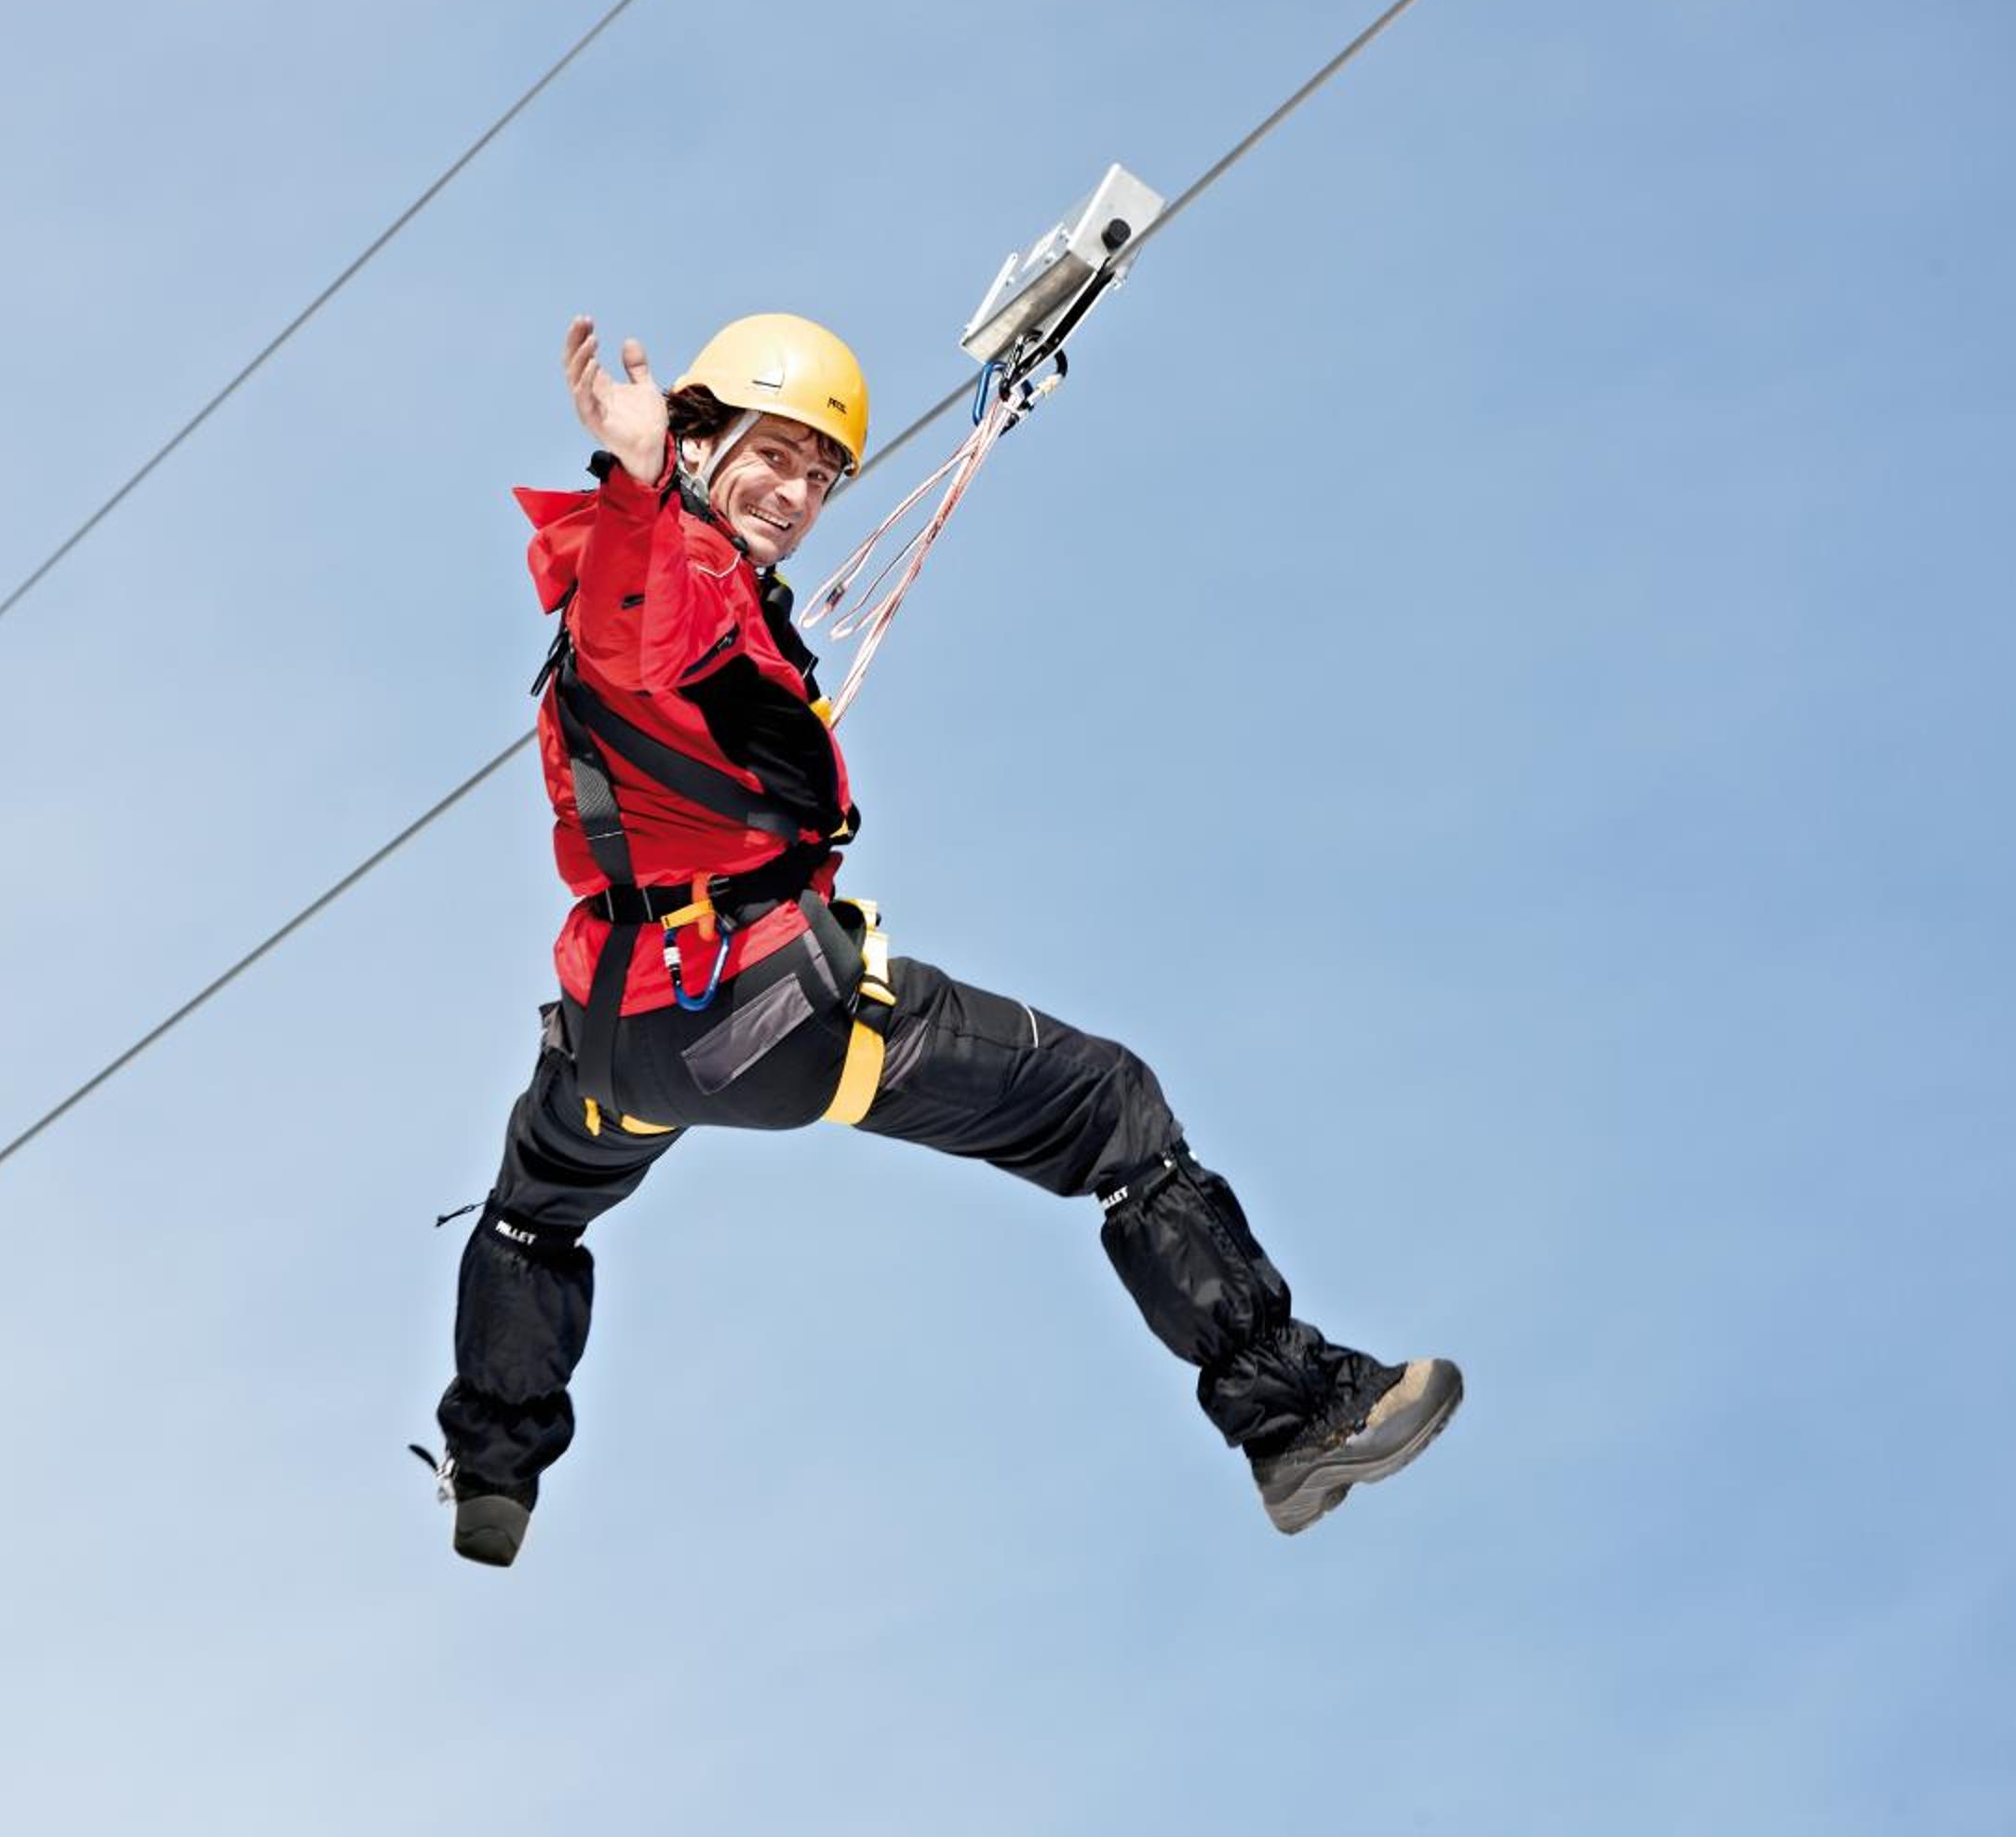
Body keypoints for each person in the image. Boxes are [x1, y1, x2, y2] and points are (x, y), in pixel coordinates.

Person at [431, 311, 1459, 1566]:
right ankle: (1296, 1417)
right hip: (763, 1010)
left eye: (820, 475)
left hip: (616, 1041)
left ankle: (494, 1469)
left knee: (533, 1214)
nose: (797, 493)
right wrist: (638, 474)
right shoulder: (658, 563)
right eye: (774, 454)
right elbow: (637, 624)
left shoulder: (673, 583)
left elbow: (646, 653)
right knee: (1106, 1106)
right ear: (698, 443)